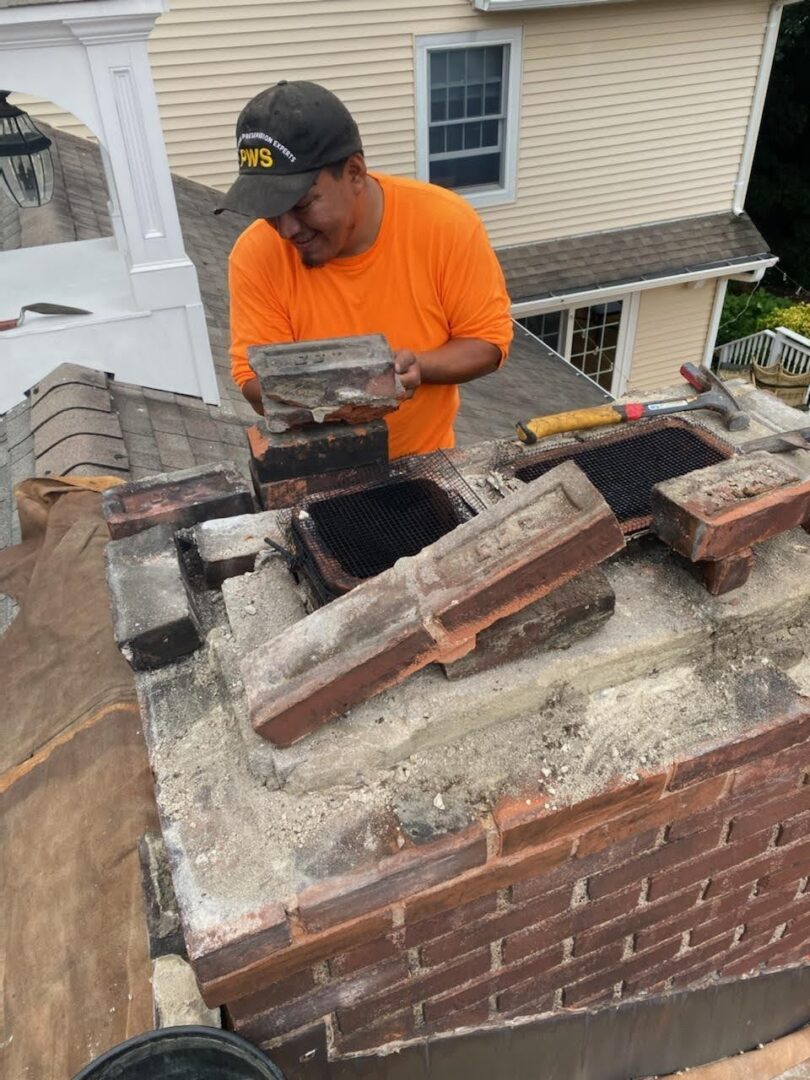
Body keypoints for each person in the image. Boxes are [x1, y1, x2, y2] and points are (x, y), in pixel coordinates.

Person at [218, 80, 513, 460]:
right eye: (270, 209)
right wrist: (345, 388)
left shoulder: (445, 223)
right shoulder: (255, 254)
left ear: (355, 173)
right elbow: (252, 380)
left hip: (424, 462)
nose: (287, 229)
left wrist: (415, 367)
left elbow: (487, 344)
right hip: (316, 468)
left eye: (302, 204)